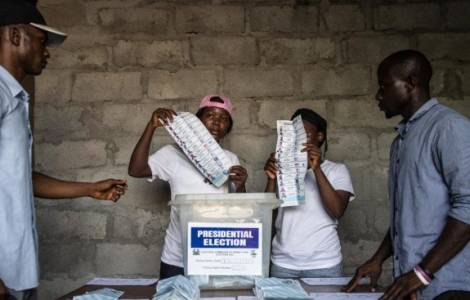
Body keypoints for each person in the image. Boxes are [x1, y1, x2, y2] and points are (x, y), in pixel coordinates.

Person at [0, 1, 127, 298]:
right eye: (42, 42)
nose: (46, 53)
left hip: (16, 272)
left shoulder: (14, 97)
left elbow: (18, 178)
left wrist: (88, 188)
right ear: (16, 36)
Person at [345, 50, 470, 299]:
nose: (378, 95)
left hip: (448, 287)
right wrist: (378, 258)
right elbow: (408, 217)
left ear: (411, 83)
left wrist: (422, 273)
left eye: (384, 86)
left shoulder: (448, 128)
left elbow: (468, 206)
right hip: (415, 286)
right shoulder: (402, 139)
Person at [128, 95, 248, 279]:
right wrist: (151, 127)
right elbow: (136, 170)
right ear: (197, 122)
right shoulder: (172, 154)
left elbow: (240, 210)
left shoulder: (230, 160)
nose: (217, 122)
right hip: (177, 258)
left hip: (217, 256)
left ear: (228, 128)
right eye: (210, 115)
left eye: (224, 119)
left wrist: (240, 186)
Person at [264, 108, 355, 278]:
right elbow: (268, 217)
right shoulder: (283, 170)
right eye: (293, 135)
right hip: (283, 263)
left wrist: (317, 169)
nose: (297, 140)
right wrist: (271, 179)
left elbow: (337, 210)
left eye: (304, 134)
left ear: (319, 137)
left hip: (324, 263)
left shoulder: (337, 170)